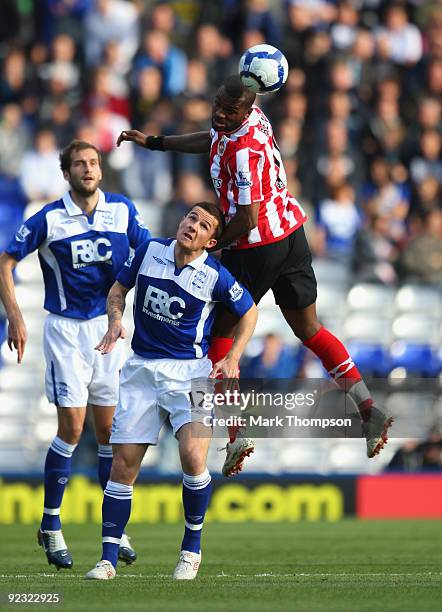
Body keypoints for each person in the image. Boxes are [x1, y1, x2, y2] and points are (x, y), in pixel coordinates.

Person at [116, 75, 394, 476]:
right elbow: (210, 139)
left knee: (219, 340)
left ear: (246, 111)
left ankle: (236, 434)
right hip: (291, 233)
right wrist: (158, 143)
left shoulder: (244, 152)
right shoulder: (249, 120)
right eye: (217, 106)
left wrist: (213, 245)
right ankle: (369, 409)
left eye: (229, 111)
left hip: (258, 245)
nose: (219, 115)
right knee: (310, 330)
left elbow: (246, 218)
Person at [85, 201, 257, 580]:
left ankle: (191, 551)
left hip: (191, 375)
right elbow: (118, 290)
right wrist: (115, 322)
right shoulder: (149, 251)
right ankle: (108, 560)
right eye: (191, 217)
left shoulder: (215, 276)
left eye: (204, 225)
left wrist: (233, 357)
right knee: (122, 466)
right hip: (141, 371)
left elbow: (250, 312)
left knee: (194, 458)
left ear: (211, 241)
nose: (193, 226)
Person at [0, 140, 151, 570]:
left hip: (109, 330)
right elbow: (5, 260)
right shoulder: (50, 218)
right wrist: (15, 315)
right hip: (66, 331)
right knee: (73, 427)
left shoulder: (122, 210)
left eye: (94, 163)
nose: (88, 169)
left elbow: (148, 252)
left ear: (101, 171)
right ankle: (51, 524)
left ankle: (113, 530)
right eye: (80, 164)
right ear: (66, 173)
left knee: (109, 434)